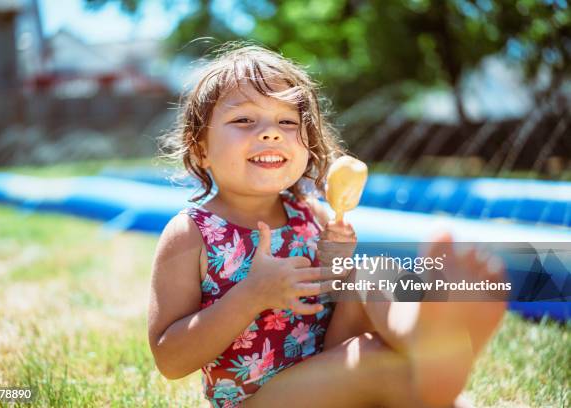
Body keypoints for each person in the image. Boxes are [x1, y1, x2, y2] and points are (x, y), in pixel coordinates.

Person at [147, 42, 506, 408]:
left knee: (375, 271)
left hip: (325, 368)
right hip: (258, 398)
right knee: (371, 360)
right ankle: (436, 375)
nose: (271, 133)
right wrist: (252, 294)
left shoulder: (312, 214)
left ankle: (424, 333)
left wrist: (338, 269)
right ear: (200, 149)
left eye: (287, 122)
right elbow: (170, 359)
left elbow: (329, 304)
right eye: (244, 120)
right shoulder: (192, 233)